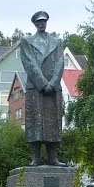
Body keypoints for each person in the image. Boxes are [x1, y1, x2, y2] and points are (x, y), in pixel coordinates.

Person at [18, 10, 68, 166]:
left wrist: (52, 83)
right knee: (35, 123)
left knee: (53, 122)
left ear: (46, 22)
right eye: (38, 22)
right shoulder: (27, 41)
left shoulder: (57, 42)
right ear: (34, 24)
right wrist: (42, 83)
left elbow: (60, 63)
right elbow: (29, 63)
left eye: (43, 21)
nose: (41, 24)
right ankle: (36, 157)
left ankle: (53, 158)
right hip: (36, 88)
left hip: (53, 89)